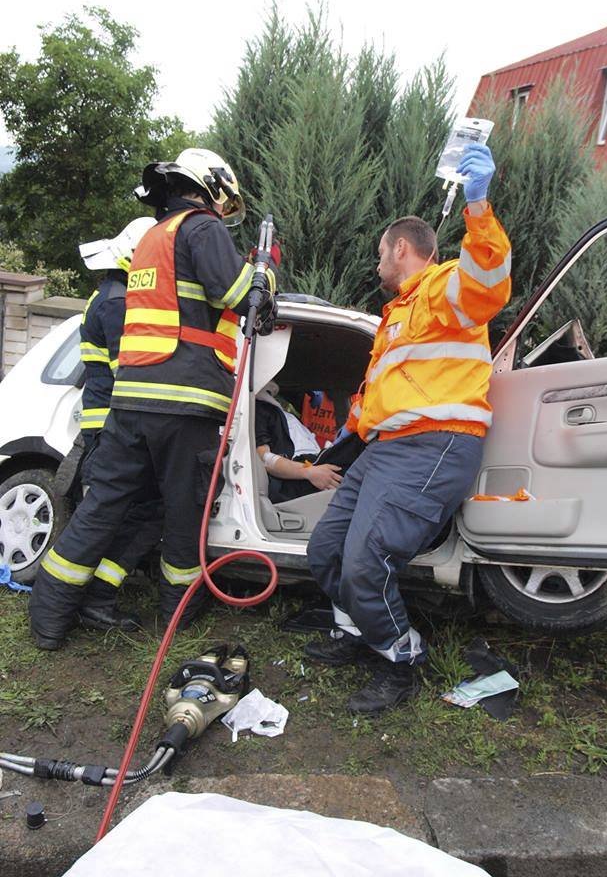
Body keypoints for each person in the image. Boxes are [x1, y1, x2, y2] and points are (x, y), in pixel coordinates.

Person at [29, 148, 278, 649]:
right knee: (184, 512)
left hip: (132, 403)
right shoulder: (202, 228)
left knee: (101, 509)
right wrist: (265, 269)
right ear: (210, 188)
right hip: (185, 403)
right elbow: (236, 295)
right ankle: (177, 615)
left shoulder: (149, 241)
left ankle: (49, 619)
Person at [304, 142, 511, 715]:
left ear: (401, 248)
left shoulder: (445, 287)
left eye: (379, 255)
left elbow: (489, 281)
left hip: (436, 444)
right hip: (387, 450)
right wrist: (337, 448)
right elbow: (378, 399)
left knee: (369, 562)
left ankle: (402, 660)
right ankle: (354, 632)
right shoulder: (397, 319)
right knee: (326, 551)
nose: (376, 266)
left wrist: (479, 204)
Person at [73, 217, 163, 632]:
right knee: (136, 512)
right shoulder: (117, 302)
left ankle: (94, 595)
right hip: (113, 427)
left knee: (126, 513)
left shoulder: (107, 295)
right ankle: (97, 598)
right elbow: (128, 372)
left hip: (106, 425)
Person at [255, 381, 343, 503]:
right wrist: (309, 472)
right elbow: (264, 458)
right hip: (295, 480)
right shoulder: (258, 409)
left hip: (313, 465)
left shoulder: (277, 411)